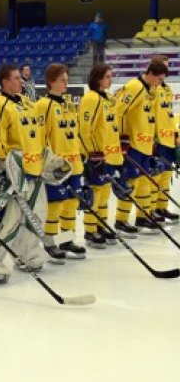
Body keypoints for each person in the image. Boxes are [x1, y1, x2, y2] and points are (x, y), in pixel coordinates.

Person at [0, 64, 48, 283]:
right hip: (6, 171)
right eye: (17, 78)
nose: (21, 81)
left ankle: (26, 254)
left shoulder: (27, 103)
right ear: (5, 82)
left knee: (30, 215)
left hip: (31, 170)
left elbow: (37, 137)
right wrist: (6, 167)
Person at [35, 64, 87, 262]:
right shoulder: (43, 105)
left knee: (71, 203)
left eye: (67, 79)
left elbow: (76, 133)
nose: (66, 83)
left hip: (75, 164)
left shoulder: (68, 104)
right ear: (51, 82)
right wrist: (47, 162)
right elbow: (40, 137)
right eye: (62, 80)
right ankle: (49, 243)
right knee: (55, 204)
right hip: (57, 167)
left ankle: (66, 240)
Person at [114, 59, 168, 235]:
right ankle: (121, 220)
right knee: (129, 182)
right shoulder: (134, 86)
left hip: (146, 144)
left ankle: (142, 216)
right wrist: (122, 139)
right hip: (134, 145)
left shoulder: (149, 89)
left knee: (145, 181)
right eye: (158, 79)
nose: (159, 83)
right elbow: (119, 111)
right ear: (151, 74)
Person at [78, 63, 122, 248]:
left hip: (109, 154)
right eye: (107, 77)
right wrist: (92, 154)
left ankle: (101, 225)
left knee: (104, 192)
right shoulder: (91, 98)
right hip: (95, 155)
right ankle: (90, 230)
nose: (110, 80)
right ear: (98, 79)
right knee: (95, 192)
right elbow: (85, 129)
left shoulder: (108, 98)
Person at [149, 55, 180, 224]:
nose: (165, 72)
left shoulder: (167, 90)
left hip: (169, 140)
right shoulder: (150, 90)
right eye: (162, 67)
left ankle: (162, 207)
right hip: (157, 140)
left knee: (166, 176)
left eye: (167, 68)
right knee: (156, 176)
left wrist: (175, 134)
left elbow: (169, 115)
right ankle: (151, 209)